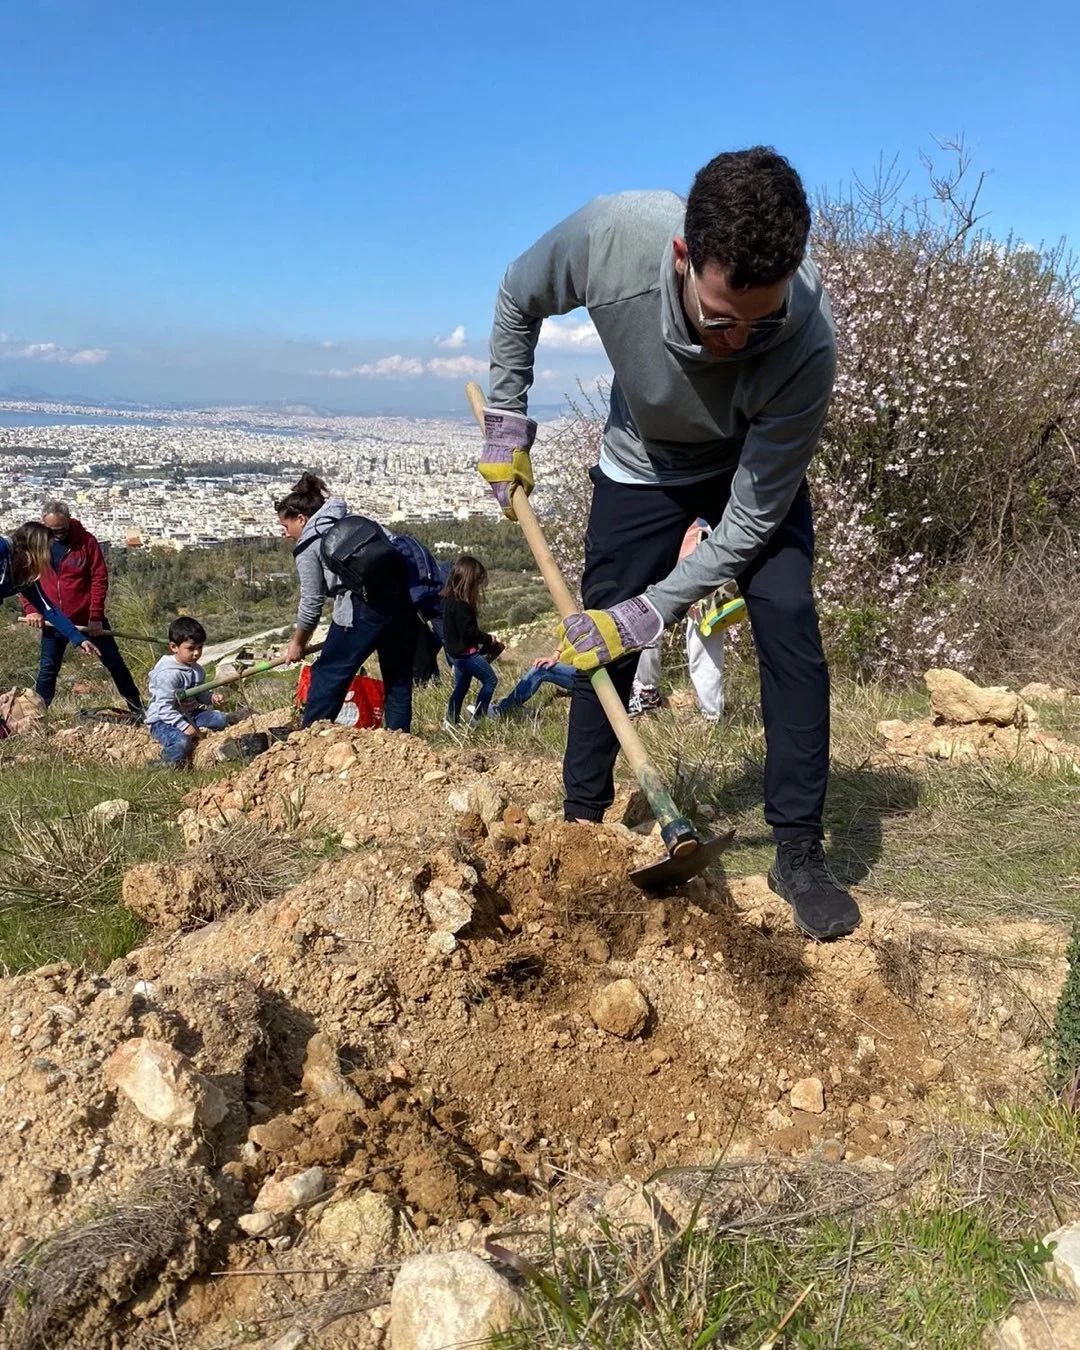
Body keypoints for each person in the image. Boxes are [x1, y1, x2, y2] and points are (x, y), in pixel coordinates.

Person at [479, 146, 860, 941]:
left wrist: (655, 613)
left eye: (763, 321)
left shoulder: (807, 344)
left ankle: (798, 850)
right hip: (642, 462)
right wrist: (508, 419)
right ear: (683, 259)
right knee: (597, 634)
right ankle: (580, 821)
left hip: (749, 465)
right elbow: (520, 293)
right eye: (721, 319)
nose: (738, 342)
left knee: (788, 621)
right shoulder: (617, 238)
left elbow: (753, 522)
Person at [277, 473, 416, 731]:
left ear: (301, 519)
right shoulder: (355, 520)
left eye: (286, 527)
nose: (285, 534)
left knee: (329, 673)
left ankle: (310, 738)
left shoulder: (309, 544)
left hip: (359, 610)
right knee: (397, 678)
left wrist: (298, 643)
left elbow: (311, 601)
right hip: (399, 604)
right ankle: (400, 740)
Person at [18, 501, 143, 715]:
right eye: (52, 530)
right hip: (53, 620)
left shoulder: (86, 542)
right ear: (43, 525)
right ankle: (36, 718)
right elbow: (24, 576)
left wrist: (95, 616)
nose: (57, 535)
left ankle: (138, 708)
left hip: (86, 618)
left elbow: (99, 579)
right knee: (48, 671)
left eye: (62, 529)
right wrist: (31, 608)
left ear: (69, 521)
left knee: (114, 663)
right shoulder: (39, 545)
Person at [630, 519, 746, 722]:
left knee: (704, 632)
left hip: (699, 547)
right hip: (660, 545)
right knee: (646, 617)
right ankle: (647, 694)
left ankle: (711, 713)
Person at [1, 522, 99, 662]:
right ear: (36, 548)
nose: (49, 555)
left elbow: (49, 609)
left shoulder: (26, 576)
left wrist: (79, 639)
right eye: (46, 549)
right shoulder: (3, 550)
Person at [145, 617, 228, 768]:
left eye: (200, 647)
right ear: (174, 647)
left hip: (190, 713)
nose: (196, 653)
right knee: (181, 741)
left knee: (221, 719)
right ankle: (166, 763)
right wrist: (183, 726)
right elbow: (164, 708)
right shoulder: (168, 674)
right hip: (163, 720)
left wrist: (211, 698)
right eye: (191, 648)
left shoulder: (197, 670)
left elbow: (198, 694)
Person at [441, 554, 501, 726]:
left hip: (455, 654)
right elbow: (470, 633)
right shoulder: (462, 605)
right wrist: (489, 639)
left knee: (460, 688)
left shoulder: (448, 599)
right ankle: (479, 716)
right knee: (490, 680)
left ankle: (451, 720)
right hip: (466, 655)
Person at [494, 648, 576, 716]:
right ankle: (508, 707)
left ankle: (505, 708)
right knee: (540, 666)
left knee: (541, 669)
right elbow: (568, 634)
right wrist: (555, 656)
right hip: (578, 669)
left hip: (585, 674)